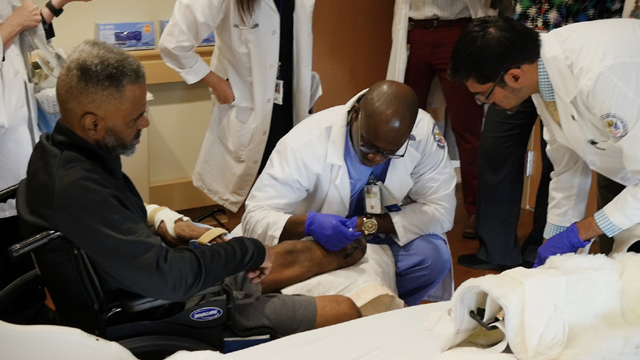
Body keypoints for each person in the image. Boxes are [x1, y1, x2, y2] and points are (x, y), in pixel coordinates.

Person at [17, 40, 361, 337]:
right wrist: (247, 252)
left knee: (312, 254)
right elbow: (169, 279)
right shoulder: (78, 189)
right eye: (136, 117)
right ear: (92, 124)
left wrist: (167, 223)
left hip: (158, 278)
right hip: (160, 307)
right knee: (344, 310)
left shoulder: (59, 153)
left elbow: (116, 226)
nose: (146, 122)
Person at [241, 80, 457, 306]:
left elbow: (440, 211)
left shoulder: (421, 133)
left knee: (432, 257)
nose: (376, 158)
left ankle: (389, 314)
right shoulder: (306, 141)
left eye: (389, 153)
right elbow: (255, 216)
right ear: (356, 114)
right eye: (368, 146)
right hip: (315, 244)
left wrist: (368, 224)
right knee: (327, 295)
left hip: (377, 236)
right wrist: (308, 223)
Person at [449, 17, 640, 267]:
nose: (486, 104)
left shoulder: (599, 74)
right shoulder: (542, 77)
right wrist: (553, 244)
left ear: (514, 77)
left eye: (483, 95)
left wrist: (584, 230)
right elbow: (568, 168)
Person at [158, 0, 319, 228]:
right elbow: (173, 44)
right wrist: (216, 84)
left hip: (289, 102)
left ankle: (274, 256)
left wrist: (308, 92)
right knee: (243, 191)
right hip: (247, 103)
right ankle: (242, 255)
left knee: (286, 188)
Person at [386, 0, 498, 238]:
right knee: (403, 121)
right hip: (413, 31)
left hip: (455, 31)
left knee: (467, 126)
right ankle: (399, 197)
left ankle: (478, 209)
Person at [0, 0, 91, 289]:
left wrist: (55, 5)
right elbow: (13, 27)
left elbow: (29, 40)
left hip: (20, 139)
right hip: (5, 147)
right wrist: (12, 23)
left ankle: (26, 311)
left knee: (21, 243)